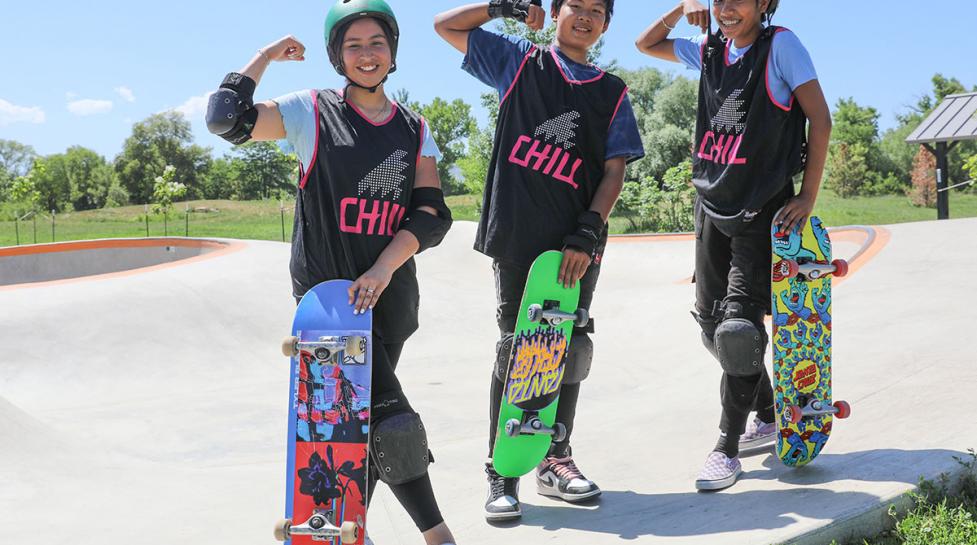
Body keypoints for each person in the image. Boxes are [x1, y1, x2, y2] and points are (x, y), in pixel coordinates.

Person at [205, 1, 457, 542]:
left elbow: (432, 213)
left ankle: (346, 531)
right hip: (329, 305)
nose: (367, 54)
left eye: (376, 43)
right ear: (336, 56)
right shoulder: (310, 112)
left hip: (387, 299)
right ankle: (439, 535)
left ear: (392, 51)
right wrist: (267, 54)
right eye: (353, 45)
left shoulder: (414, 128)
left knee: (354, 430)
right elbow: (226, 118)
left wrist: (385, 267)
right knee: (391, 420)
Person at [434, 0, 644, 521]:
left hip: (577, 242)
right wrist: (502, 6)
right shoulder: (520, 64)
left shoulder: (610, 91)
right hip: (519, 238)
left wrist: (587, 230)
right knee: (517, 350)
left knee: (569, 348)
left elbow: (613, 171)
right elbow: (445, 26)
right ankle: (502, 470)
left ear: (606, 24)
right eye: (577, 5)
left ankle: (555, 459)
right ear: (555, 11)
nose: (587, 16)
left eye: (600, 10)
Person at [636, 0, 832, 490]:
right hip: (712, 206)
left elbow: (820, 119)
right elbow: (646, 44)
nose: (726, 8)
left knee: (740, 330)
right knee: (711, 328)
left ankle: (726, 446)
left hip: (762, 207)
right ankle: (767, 410)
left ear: (764, 3)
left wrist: (807, 196)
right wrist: (681, 10)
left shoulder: (780, 46)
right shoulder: (708, 49)